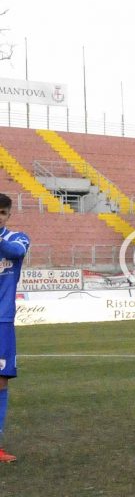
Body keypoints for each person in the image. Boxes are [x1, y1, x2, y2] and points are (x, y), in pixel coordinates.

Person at [0, 193, 29, 464]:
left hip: (2, 320)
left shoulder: (17, 239)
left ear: (8, 215)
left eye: (1, 213)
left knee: (0, 381)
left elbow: (16, 252)